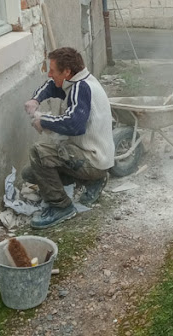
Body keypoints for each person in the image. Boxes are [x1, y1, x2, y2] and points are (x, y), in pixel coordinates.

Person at [23, 47, 115, 229]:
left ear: (66, 72)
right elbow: (52, 86)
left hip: (93, 159)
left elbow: (75, 124)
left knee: (39, 152)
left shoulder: (81, 88)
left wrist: (44, 120)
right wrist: (35, 100)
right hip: (93, 156)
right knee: (30, 174)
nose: (49, 74)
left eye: (52, 70)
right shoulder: (78, 81)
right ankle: (92, 181)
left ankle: (62, 207)